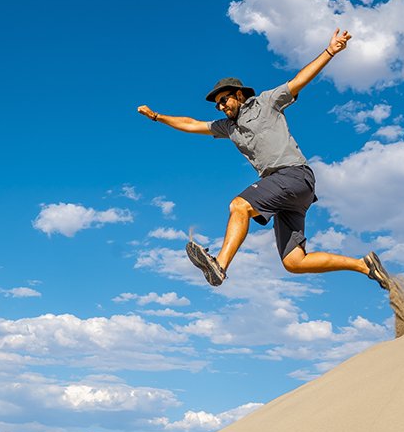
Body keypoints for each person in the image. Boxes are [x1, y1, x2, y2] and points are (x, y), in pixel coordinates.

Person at [136, 29, 390, 290]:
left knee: (239, 206)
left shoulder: (266, 102)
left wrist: (330, 51)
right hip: (288, 195)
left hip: (293, 175)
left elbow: (299, 80)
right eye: (218, 105)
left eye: (224, 100)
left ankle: (220, 265)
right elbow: (191, 124)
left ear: (239, 95)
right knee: (294, 262)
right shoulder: (227, 127)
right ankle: (364, 265)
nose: (222, 106)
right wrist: (157, 116)